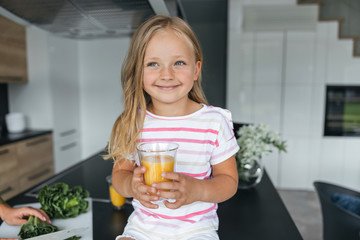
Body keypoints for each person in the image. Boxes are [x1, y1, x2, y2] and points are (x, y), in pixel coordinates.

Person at [105, 14, 239, 240]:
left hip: (195, 231)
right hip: (142, 229)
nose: (166, 75)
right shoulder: (133, 122)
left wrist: (198, 189)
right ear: (139, 72)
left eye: (178, 63)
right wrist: (132, 186)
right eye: (153, 64)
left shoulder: (214, 122)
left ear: (196, 70)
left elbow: (229, 181)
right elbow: (120, 176)